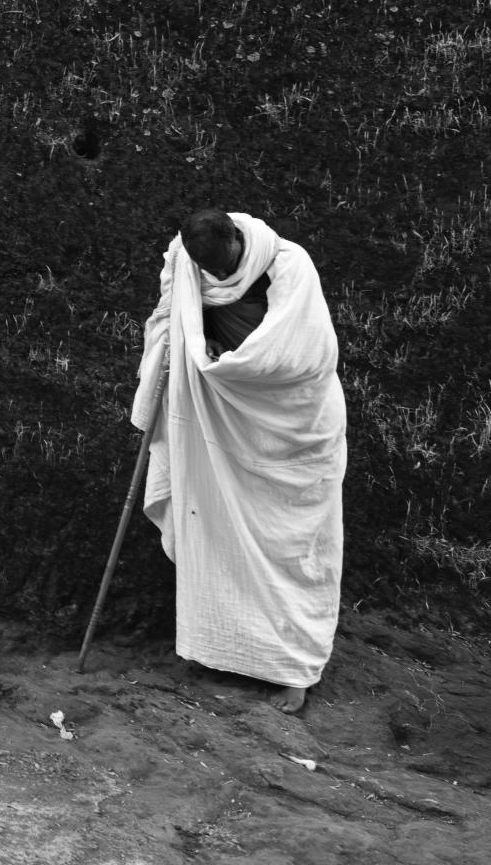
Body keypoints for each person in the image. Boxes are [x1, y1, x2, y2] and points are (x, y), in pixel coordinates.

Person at [132, 208, 346, 713]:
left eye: (224, 264)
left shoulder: (289, 264)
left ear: (236, 238)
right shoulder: (184, 265)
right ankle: (225, 648)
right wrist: (189, 343)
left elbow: (298, 355)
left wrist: (219, 365)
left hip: (291, 425)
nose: (219, 274)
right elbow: (170, 320)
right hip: (220, 420)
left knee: (293, 545)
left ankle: (294, 668)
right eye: (208, 268)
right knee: (215, 529)